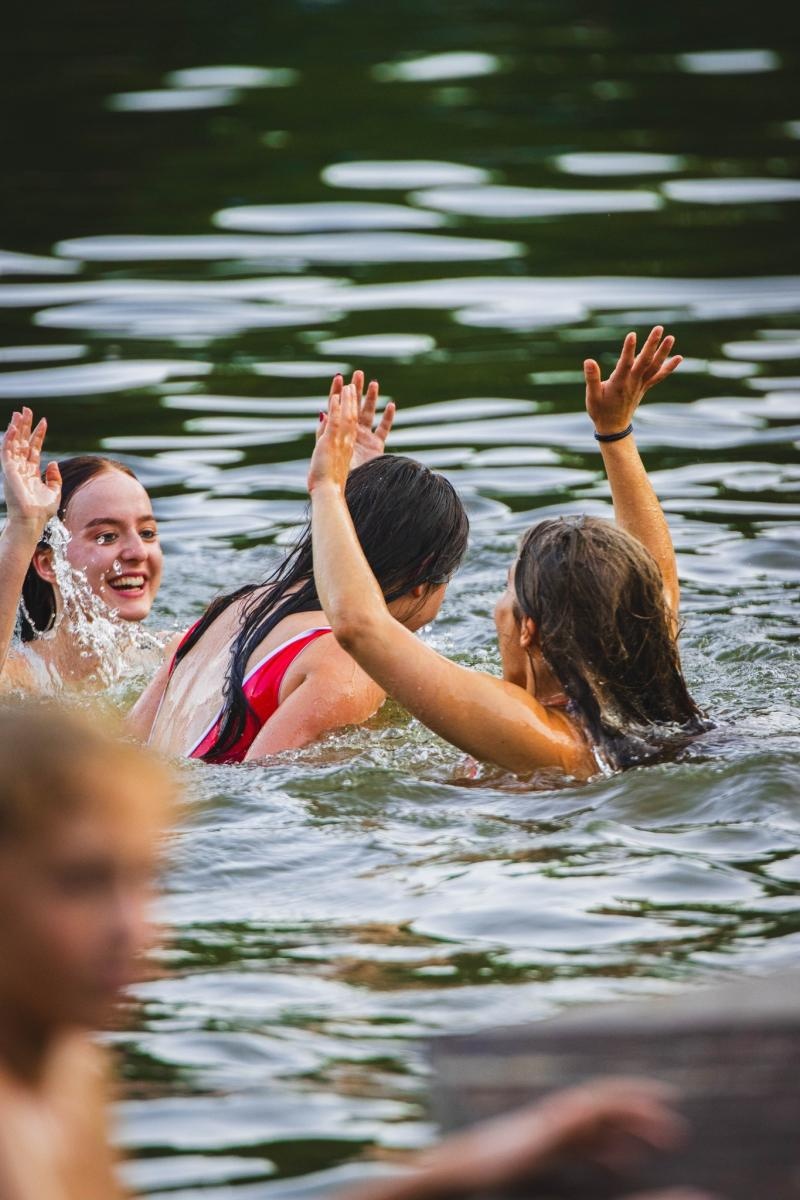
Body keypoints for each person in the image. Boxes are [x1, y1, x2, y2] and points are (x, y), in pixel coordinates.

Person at [0, 703, 710, 1200]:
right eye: (80, 883)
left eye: (146, 881)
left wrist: (480, 1160)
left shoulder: (64, 1063)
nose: (137, 930)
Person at [309, 327, 707, 779]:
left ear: (529, 630)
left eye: (507, 588)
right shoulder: (638, 682)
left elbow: (361, 628)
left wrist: (328, 487)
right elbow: (653, 583)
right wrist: (615, 432)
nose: (497, 605)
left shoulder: (539, 734)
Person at [129, 376, 470, 762]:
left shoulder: (228, 610)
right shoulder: (348, 662)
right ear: (424, 575)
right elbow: (258, 784)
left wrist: (355, 493)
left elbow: (129, 740)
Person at [0, 406, 165, 692]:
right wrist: (25, 525)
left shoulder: (175, 657)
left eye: (147, 533)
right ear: (49, 564)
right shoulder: (24, 678)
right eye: (107, 537)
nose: (138, 552)